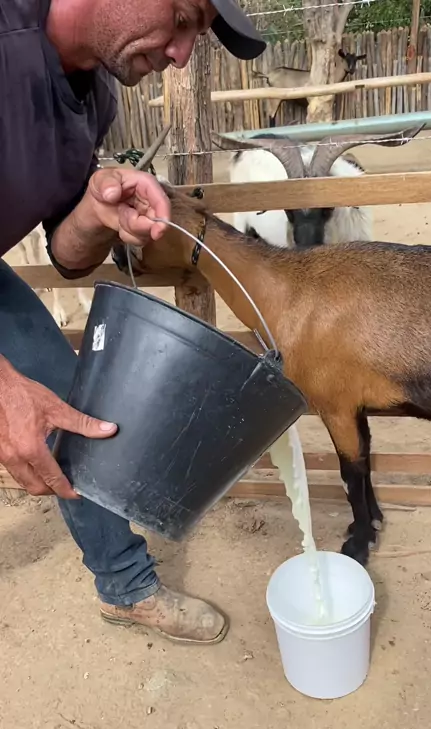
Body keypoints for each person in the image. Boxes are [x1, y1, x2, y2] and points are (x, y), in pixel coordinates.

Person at [0, 0, 265, 645]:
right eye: (183, 17)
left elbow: (66, 256)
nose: (182, 54)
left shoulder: (94, 95)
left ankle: (126, 586)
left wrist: (95, 212)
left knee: (72, 410)